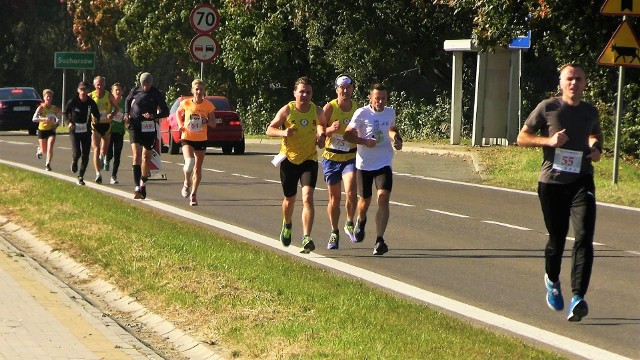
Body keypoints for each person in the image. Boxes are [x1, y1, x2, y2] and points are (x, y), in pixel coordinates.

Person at [517, 63, 603, 322]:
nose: (574, 83)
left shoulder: (590, 111)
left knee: (584, 236)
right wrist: (549, 141)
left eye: (578, 79)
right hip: (552, 182)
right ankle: (552, 279)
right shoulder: (548, 107)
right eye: (570, 79)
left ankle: (578, 297)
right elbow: (522, 137)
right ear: (561, 82)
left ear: (585, 83)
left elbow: (594, 136)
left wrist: (596, 148)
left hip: (582, 179)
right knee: (557, 239)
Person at [266, 76, 326, 254]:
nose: (305, 95)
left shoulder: (317, 110)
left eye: (308, 92)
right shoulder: (287, 110)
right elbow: (270, 129)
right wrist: (284, 132)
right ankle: (287, 223)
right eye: (302, 92)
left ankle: (306, 237)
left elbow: (322, 127)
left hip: (309, 159)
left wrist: (321, 137)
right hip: (289, 159)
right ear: (295, 93)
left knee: (307, 197)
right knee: (290, 199)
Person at [343, 83, 403, 255]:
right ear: (370, 98)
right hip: (364, 164)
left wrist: (396, 139)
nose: (381, 101)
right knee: (365, 200)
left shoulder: (390, 112)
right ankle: (360, 221)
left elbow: (391, 129)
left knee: (383, 198)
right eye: (377, 98)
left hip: (384, 162)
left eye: (384, 98)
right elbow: (347, 135)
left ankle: (379, 240)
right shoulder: (361, 113)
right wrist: (364, 142)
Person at [320, 74, 359, 249]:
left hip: (350, 156)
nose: (345, 91)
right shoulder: (329, 107)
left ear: (352, 89)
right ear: (336, 89)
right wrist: (330, 129)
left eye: (348, 87)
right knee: (334, 199)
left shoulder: (357, 108)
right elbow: (318, 129)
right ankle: (334, 232)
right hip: (331, 157)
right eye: (341, 88)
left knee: (351, 191)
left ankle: (349, 222)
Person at [124, 72, 170, 199]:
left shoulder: (156, 93)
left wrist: (153, 116)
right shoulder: (135, 91)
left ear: (151, 83)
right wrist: (127, 114)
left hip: (149, 127)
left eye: (148, 85)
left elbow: (166, 111)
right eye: (144, 84)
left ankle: (143, 182)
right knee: (136, 155)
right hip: (135, 125)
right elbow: (127, 101)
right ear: (140, 83)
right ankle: (137, 188)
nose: (145, 87)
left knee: (146, 157)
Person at [176, 79, 216, 206]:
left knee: (197, 168)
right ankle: (186, 183)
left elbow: (213, 124)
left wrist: (206, 120)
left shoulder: (208, 106)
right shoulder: (186, 103)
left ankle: (193, 194)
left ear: (204, 91)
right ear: (192, 91)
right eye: (196, 89)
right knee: (189, 163)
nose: (199, 92)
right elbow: (178, 112)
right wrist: (180, 125)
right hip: (187, 136)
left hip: (201, 139)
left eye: (201, 90)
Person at [65, 81, 101, 186]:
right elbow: (66, 112)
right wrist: (69, 122)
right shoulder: (73, 101)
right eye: (81, 90)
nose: (83, 92)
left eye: (85, 90)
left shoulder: (91, 102)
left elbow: (97, 114)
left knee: (86, 154)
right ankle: (74, 162)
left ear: (88, 91)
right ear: (78, 90)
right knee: (77, 153)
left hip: (86, 130)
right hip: (74, 130)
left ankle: (80, 176)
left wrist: (96, 120)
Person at [89, 76, 120, 184]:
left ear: (104, 85)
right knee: (96, 149)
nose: (100, 86)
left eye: (101, 84)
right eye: (98, 84)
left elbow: (117, 108)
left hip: (106, 125)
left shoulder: (108, 95)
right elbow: (84, 107)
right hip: (95, 126)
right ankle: (98, 174)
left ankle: (102, 157)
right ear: (94, 85)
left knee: (103, 151)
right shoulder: (91, 96)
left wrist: (112, 114)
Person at [32, 89, 61, 171]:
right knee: (44, 150)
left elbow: (59, 117)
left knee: (50, 146)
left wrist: (56, 124)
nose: (49, 98)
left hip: (51, 130)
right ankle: (40, 149)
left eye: (50, 97)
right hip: (42, 130)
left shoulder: (54, 108)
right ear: (44, 98)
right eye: (47, 97)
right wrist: (44, 119)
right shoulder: (41, 108)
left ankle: (47, 164)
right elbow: (34, 119)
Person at [105, 83, 126, 184]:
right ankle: (107, 159)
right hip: (109, 132)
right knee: (110, 153)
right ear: (112, 92)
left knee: (117, 155)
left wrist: (127, 119)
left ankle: (113, 176)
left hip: (120, 132)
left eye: (119, 90)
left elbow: (127, 115)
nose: (118, 92)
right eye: (116, 90)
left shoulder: (124, 103)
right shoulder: (109, 102)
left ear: (122, 92)